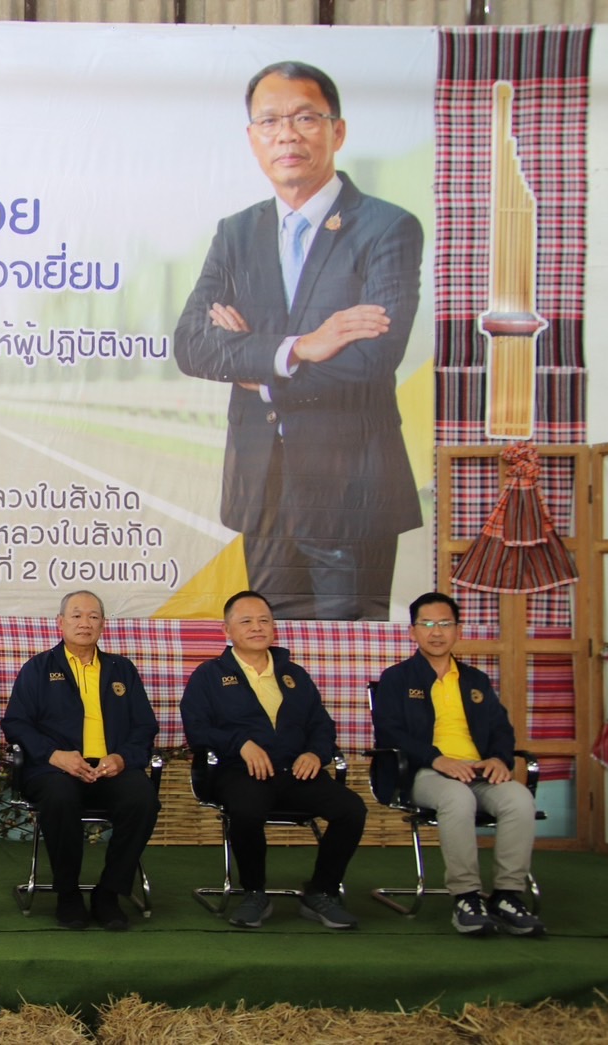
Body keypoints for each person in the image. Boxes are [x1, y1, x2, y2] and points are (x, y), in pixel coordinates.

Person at [173, 60, 423, 621]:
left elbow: (372, 358)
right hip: (262, 488)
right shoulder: (237, 233)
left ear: (338, 130)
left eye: (305, 118)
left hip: (351, 494)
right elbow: (192, 345)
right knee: (271, 654)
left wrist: (258, 367)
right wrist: (300, 349)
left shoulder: (386, 227)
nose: (286, 134)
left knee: (350, 657)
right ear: (252, 138)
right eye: (270, 121)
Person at [180, 590, 365, 929]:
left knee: (352, 810)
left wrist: (315, 752)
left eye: (264, 620)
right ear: (227, 630)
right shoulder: (209, 675)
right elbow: (197, 729)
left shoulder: (294, 674)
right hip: (238, 772)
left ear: (274, 628)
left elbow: (321, 725)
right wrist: (240, 744)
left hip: (296, 771)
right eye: (246, 621)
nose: (257, 627)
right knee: (247, 810)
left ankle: (321, 891)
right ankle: (254, 892)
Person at [372, 591, 545, 937]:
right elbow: (389, 732)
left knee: (519, 799)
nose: (436, 632)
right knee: (457, 797)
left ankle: (507, 895)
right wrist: (438, 759)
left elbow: (501, 728)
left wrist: (499, 759)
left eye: (445, 624)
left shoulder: (475, 680)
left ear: (458, 630)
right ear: (413, 631)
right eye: (427, 624)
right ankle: (467, 897)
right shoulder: (397, 678)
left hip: (478, 771)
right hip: (424, 773)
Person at [1, 590, 160, 930]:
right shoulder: (38, 668)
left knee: (143, 799)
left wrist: (122, 758)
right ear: (60, 623)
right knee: (60, 796)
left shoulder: (122, 669)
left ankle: (109, 893)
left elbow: (145, 727)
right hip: (55, 769)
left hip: (111, 767)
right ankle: (68, 893)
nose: (84, 623)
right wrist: (54, 755)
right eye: (76, 616)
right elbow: (15, 723)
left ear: (103, 624)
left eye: (93, 616)